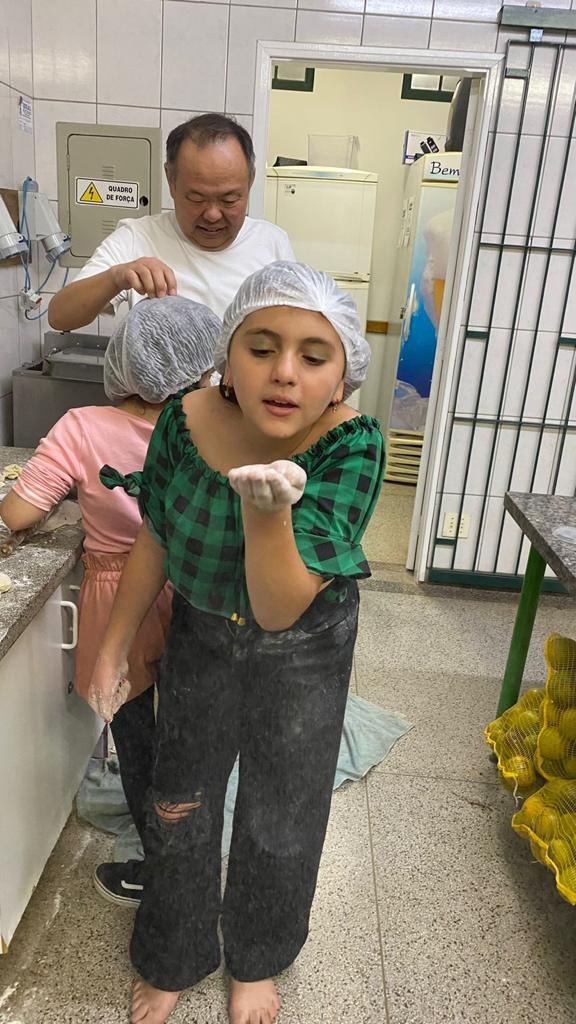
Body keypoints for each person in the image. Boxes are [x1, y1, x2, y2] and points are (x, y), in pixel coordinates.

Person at [88, 261, 385, 1024]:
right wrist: (115, 645)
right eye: (261, 347)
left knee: (282, 812)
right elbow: (157, 536)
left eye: (313, 357)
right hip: (202, 636)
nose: (284, 373)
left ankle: (256, 958)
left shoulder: (350, 445)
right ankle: (175, 953)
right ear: (227, 352)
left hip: (305, 647)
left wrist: (267, 512)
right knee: (179, 799)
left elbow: (281, 608)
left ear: (343, 375)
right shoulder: (184, 423)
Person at [0, 295, 222, 908]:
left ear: (122, 361)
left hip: (117, 597)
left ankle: (157, 864)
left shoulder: (80, 428)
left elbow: (18, 513)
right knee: (190, 732)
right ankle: (192, 852)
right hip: (196, 592)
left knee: (136, 732)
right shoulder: (212, 428)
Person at [48, 113, 295, 330]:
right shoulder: (137, 238)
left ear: (250, 181)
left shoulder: (272, 244)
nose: (212, 214)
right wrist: (115, 277)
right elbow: (59, 317)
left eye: (229, 199)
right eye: (196, 198)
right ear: (171, 180)